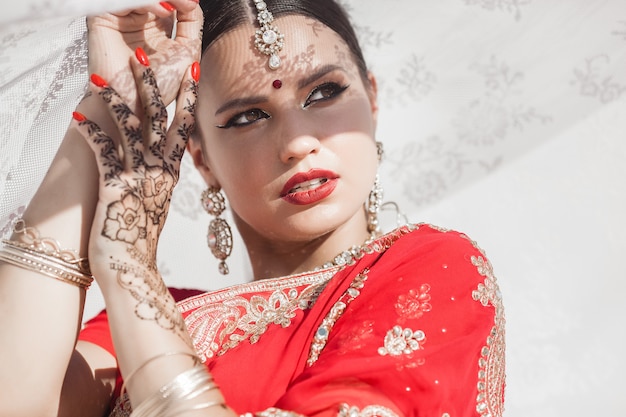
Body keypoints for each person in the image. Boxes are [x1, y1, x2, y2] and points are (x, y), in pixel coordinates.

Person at [0, 0, 506, 416]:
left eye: (324, 92)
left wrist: (132, 271)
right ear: (200, 157)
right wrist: (109, 105)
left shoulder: (435, 270)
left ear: (371, 101)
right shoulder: (140, 321)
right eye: (248, 116)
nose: (297, 142)